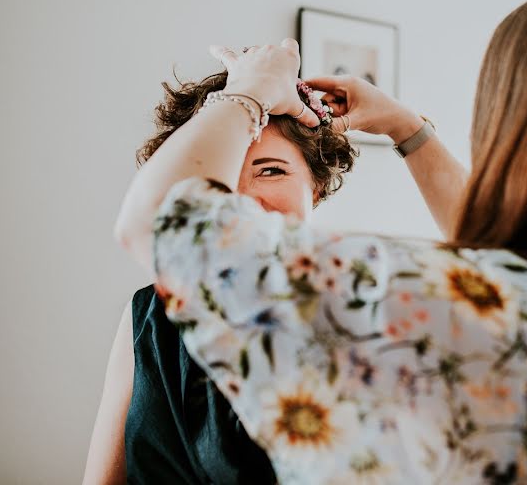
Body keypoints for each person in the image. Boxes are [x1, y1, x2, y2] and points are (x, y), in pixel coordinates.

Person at [110, 0, 527, 484]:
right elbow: (508, 257)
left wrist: (246, 93)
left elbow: (159, 222)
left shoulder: (454, 315)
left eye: (272, 168)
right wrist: (406, 128)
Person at [84, 70, 357, 484]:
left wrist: (409, 131)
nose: (242, 200)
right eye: (221, 178)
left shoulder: (356, 308)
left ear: (315, 186)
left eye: (270, 171)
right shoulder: (148, 314)